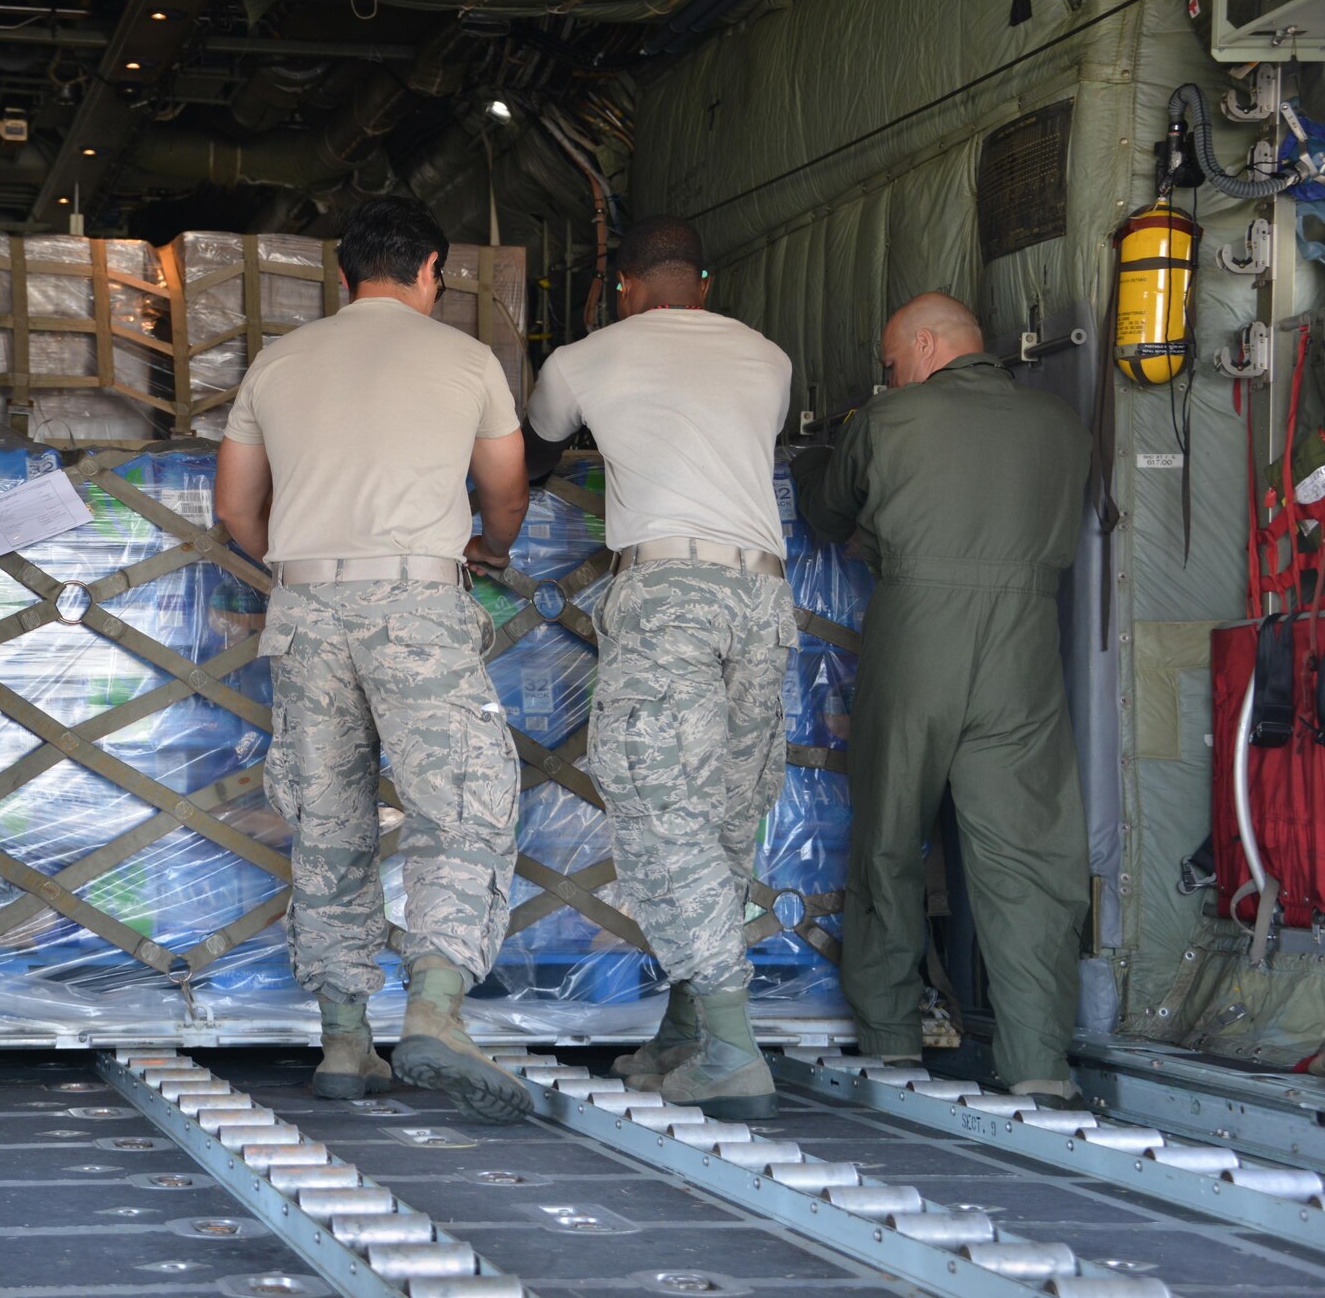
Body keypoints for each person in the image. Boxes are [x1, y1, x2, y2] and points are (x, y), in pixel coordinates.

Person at [214, 195, 534, 1124]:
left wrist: (307, 558)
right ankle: (433, 1010)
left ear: (341, 275)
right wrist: (491, 550)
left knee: (329, 816)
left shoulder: (277, 362)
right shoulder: (467, 360)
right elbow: (504, 490)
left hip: (306, 603)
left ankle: (345, 1039)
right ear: (432, 269)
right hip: (417, 601)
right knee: (461, 799)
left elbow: (236, 509)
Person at [525, 216, 794, 1119]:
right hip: (763, 599)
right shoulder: (769, 356)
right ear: (702, 284)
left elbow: (533, 454)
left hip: (668, 590)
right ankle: (686, 1027)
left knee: (660, 808)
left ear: (623, 286)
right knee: (726, 813)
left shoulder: (584, 356)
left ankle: (732, 1045)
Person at [793, 292, 1090, 1106]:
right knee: (1029, 856)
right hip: (1027, 644)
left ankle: (890, 1046)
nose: (889, 379)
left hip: (920, 630)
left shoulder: (894, 422)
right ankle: (1038, 1062)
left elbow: (826, 510)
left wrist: (813, 456)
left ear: (924, 345)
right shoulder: (1063, 426)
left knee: (889, 837)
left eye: (892, 364)